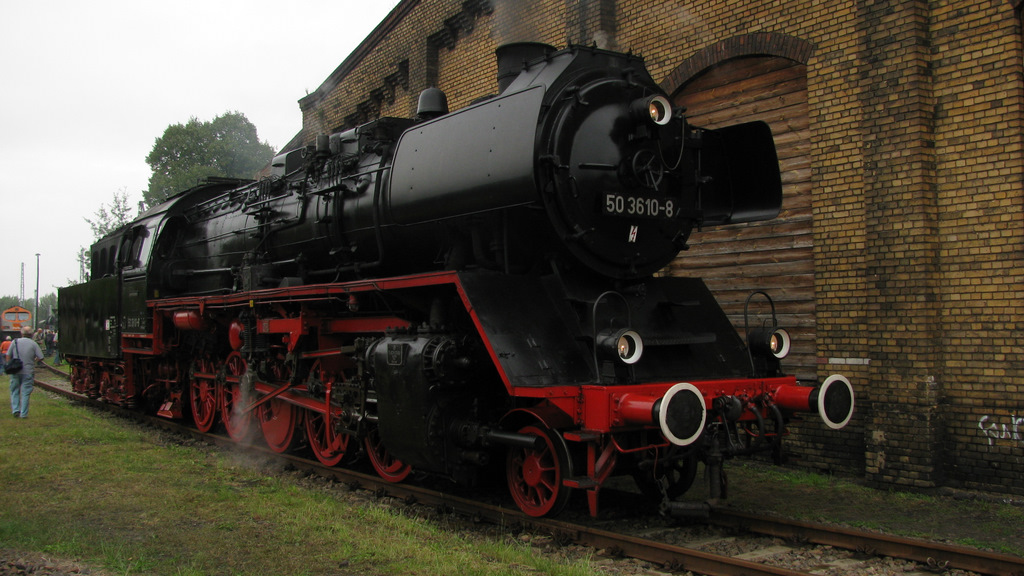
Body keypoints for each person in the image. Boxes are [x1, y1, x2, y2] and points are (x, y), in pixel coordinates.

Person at [7, 326, 44, 418]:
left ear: (21, 333)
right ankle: (24, 414)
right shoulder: (33, 343)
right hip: (28, 370)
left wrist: (9, 364)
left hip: (15, 370)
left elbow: (8, 355)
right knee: (25, 392)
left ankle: (15, 410)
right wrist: (33, 360)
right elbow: (41, 357)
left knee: (14, 390)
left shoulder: (14, 342)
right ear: (31, 334)